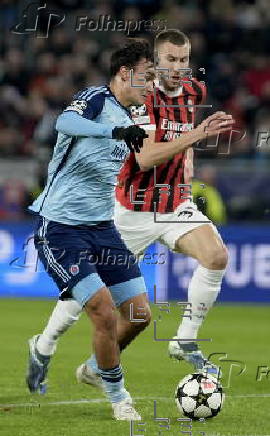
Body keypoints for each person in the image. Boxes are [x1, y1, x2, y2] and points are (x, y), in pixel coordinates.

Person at [27, 32, 233, 401]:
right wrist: (197, 136)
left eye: (184, 60)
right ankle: (44, 344)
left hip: (174, 204)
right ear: (153, 65)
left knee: (216, 256)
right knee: (83, 300)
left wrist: (186, 166)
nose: (178, 68)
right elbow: (145, 157)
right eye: (169, 60)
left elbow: (181, 140)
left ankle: (182, 340)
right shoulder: (140, 99)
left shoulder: (194, 93)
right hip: (130, 210)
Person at [27, 40, 154, 421]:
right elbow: (65, 122)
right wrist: (114, 132)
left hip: (102, 227)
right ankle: (119, 396)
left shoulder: (137, 115)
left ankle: (94, 369)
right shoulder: (96, 99)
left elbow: (138, 167)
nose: (149, 85)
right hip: (61, 228)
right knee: (101, 310)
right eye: (146, 77)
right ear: (125, 73)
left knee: (139, 314)